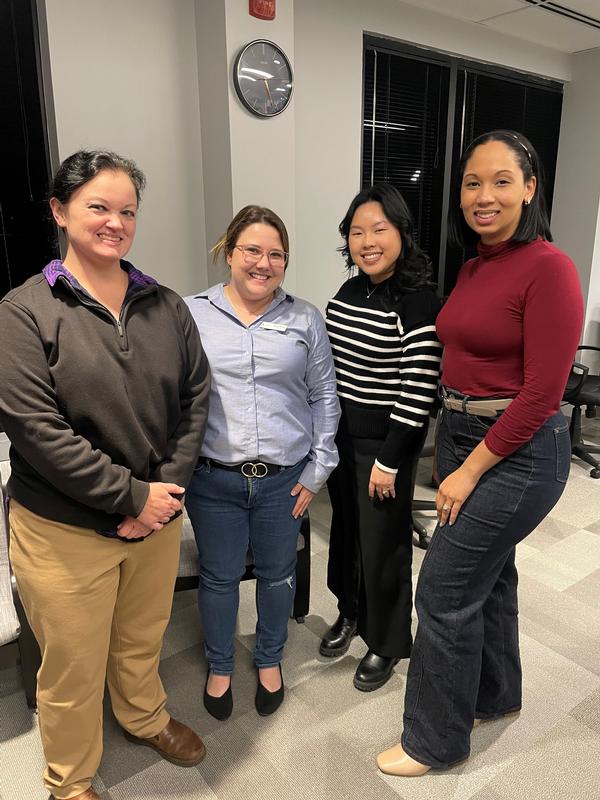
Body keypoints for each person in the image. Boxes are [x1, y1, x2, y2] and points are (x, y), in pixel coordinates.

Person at [0, 150, 211, 800]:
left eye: (127, 211)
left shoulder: (165, 304)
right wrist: (130, 496)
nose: (114, 222)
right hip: (64, 529)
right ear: (61, 212)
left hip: (156, 518)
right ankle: (69, 782)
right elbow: (36, 431)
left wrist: (163, 495)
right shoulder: (23, 312)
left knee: (141, 637)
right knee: (71, 668)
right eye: (99, 207)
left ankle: (143, 716)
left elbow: (197, 398)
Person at [377, 130, 584, 776]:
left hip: (521, 453)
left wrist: (469, 468)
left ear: (530, 187)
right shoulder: (475, 265)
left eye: (501, 180)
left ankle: (434, 741)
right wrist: (453, 446)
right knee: (491, 579)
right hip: (468, 434)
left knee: (442, 591)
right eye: (472, 183)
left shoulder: (550, 268)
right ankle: (495, 695)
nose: (484, 195)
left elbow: (543, 396)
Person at [185, 205, 340, 720]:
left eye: (276, 254)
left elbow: (324, 396)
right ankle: (221, 663)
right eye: (252, 250)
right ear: (229, 253)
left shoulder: (305, 318)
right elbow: (173, 396)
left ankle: (270, 658)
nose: (263, 263)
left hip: (284, 481)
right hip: (214, 479)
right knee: (219, 576)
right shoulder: (191, 314)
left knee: (277, 575)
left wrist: (318, 469)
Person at [321, 184, 442, 691]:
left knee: (384, 543)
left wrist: (390, 461)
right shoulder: (352, 290)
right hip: (342, 437)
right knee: (346, 533)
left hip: (384, 445)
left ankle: (388, 641)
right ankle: (350, 612)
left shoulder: (418, 303)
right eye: (356, 231)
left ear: (402, 235)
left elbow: (417, 390)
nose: (367, 241)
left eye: (379, 229)